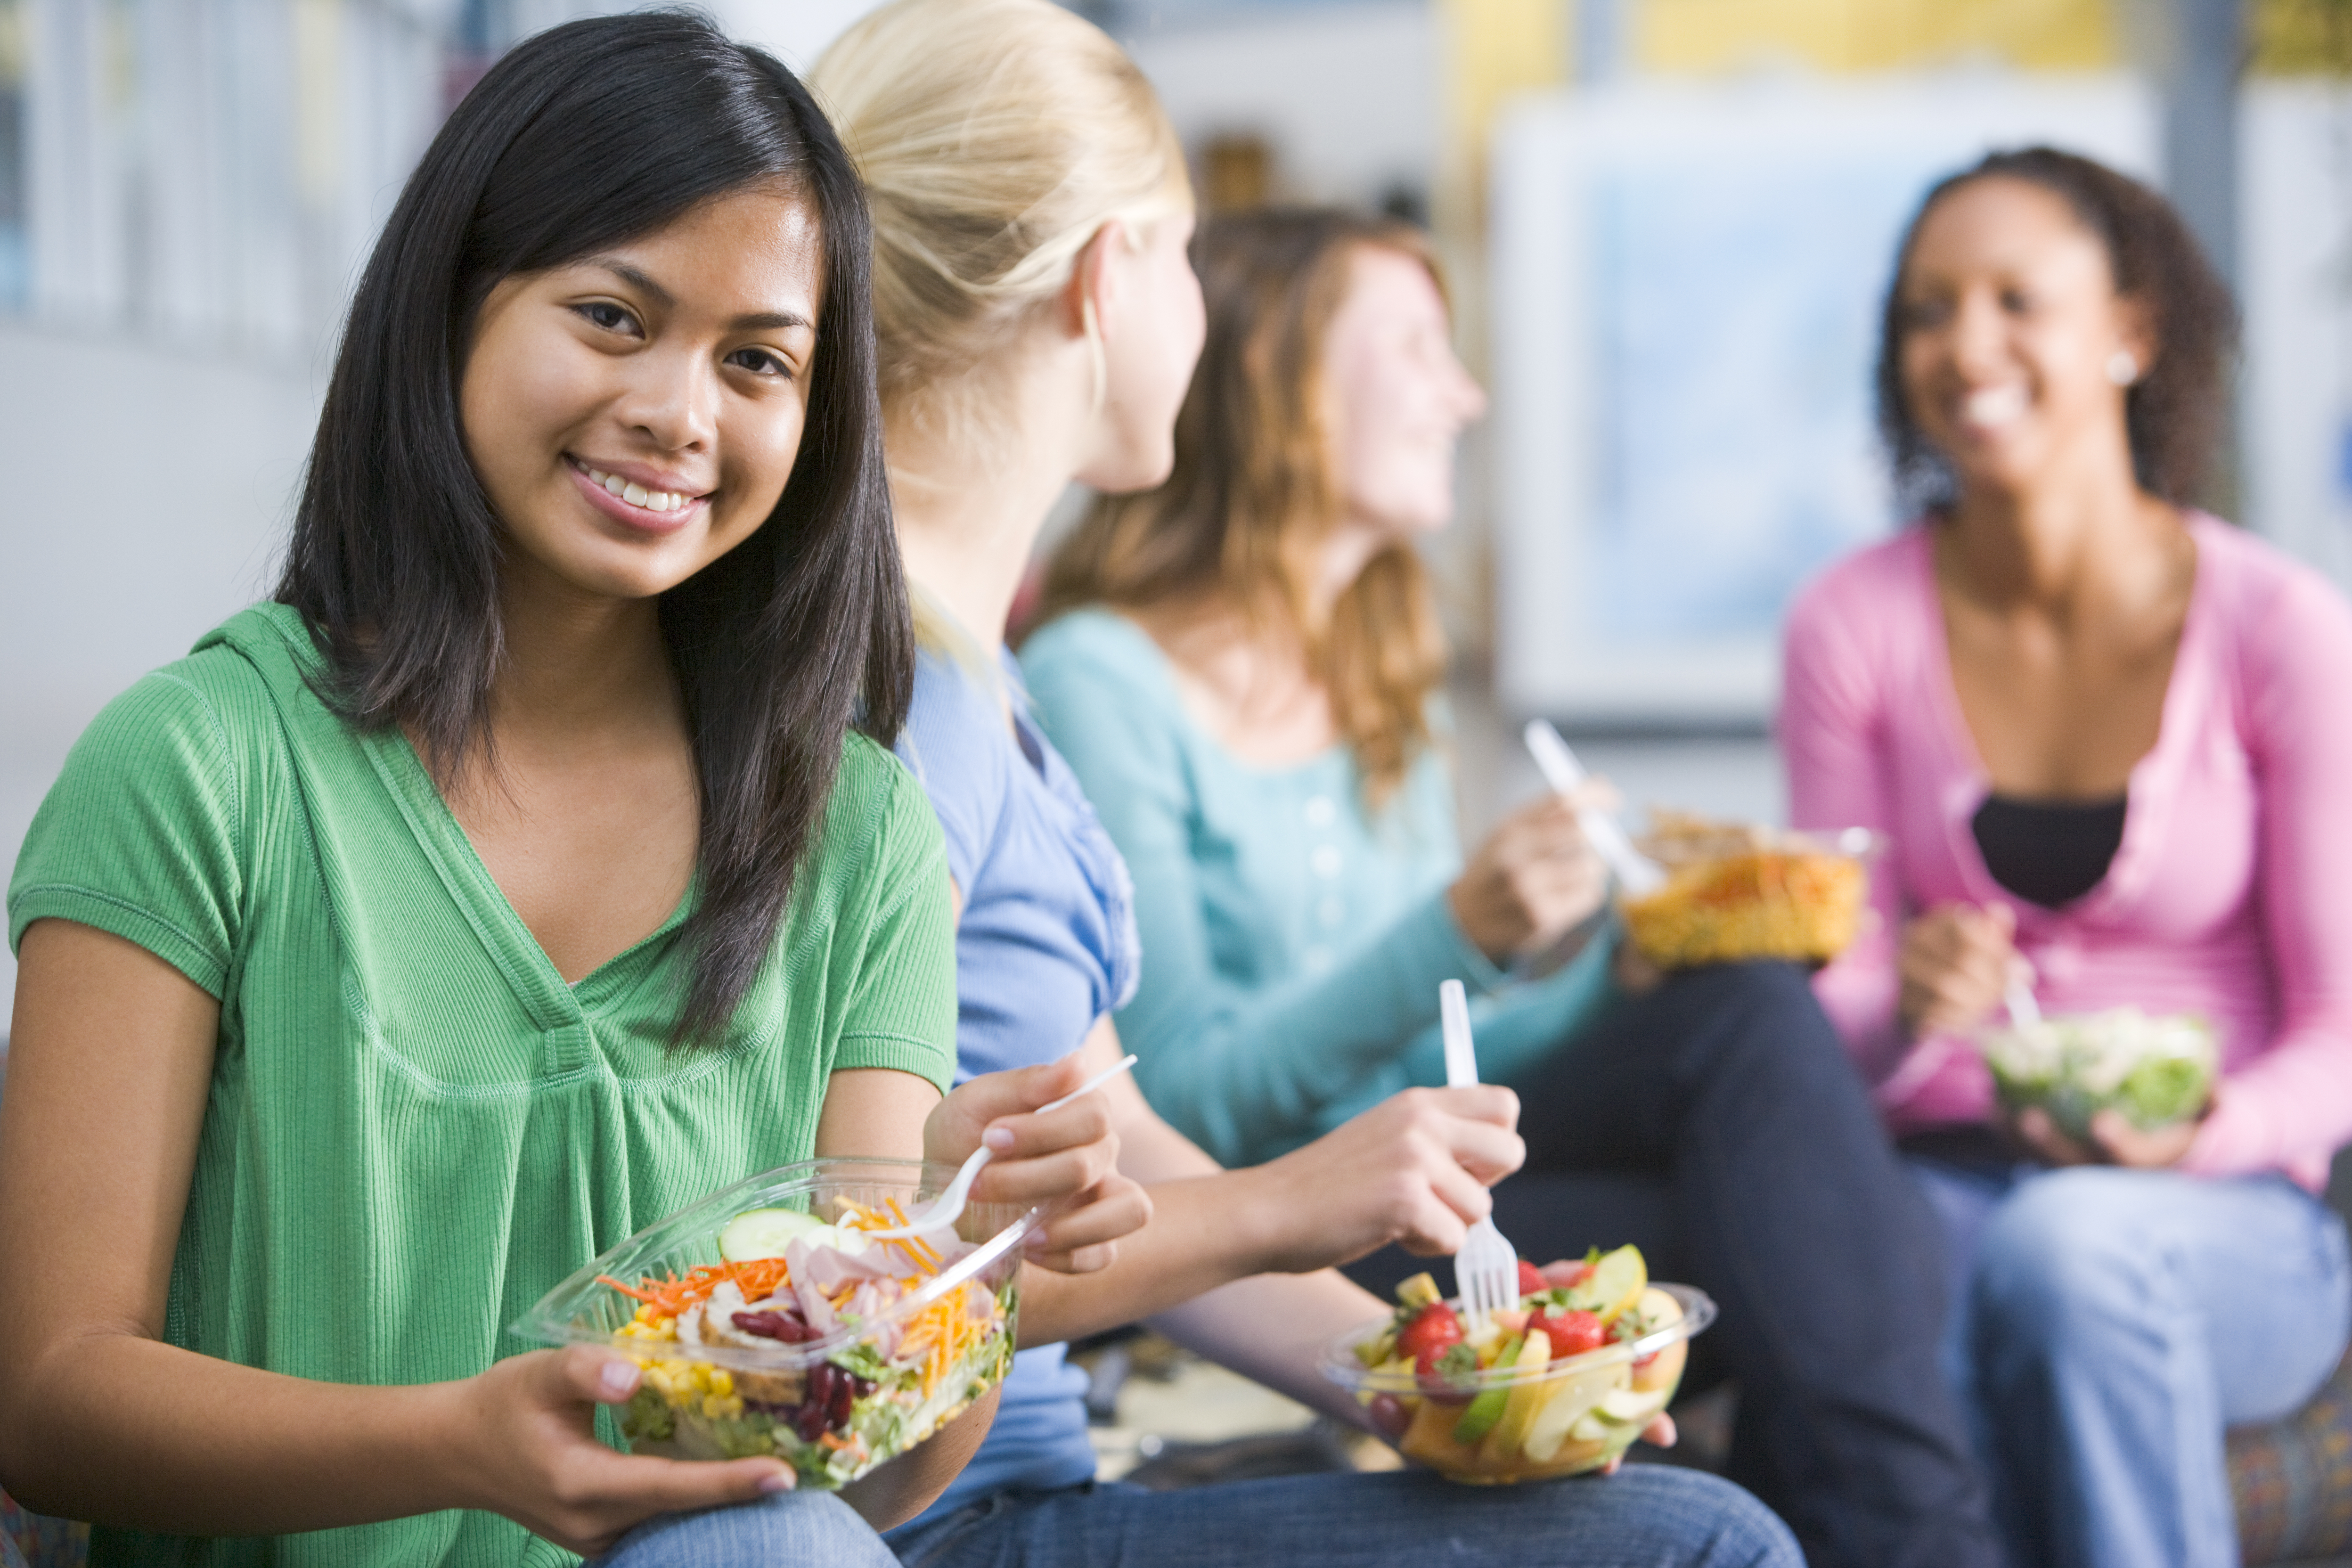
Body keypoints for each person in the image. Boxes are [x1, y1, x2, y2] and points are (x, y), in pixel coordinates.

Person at [0, 17, 1143, 1565]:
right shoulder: (203, 766)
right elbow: (49, 1400)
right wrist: (458, 1444)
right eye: (614, 317)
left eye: (759, 361)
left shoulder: (860, 836)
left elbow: (868, 1475)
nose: (683, 412)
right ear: (450, 310)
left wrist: (957, 1254)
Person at [809, 4, 1801, 1565]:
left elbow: (1133, 1156)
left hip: (1038, 1485)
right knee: (1710, 1545)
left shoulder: (972, 690)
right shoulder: (917, 707)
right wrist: (1301, 1198)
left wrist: (1429, 1387)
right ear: (1105, 279)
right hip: (960, 1518)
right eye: (1187, 258)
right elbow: (849, 1292)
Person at [1017, 205, 2006, 1568]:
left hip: (1426, 1190)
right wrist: (1462, 928)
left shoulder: (1372, 672)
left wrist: (1621, 954)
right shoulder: (1098, 678)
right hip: (1273, 1234)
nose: (1464, 394)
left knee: (1750, 1032)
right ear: (1285, 388)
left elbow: (1443, 1047)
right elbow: (1184, 1110)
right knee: (1820, 1240)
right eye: (1418, 348)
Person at [1781, 146, 2352, 1568]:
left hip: (2232, 1222)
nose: (1965, 346)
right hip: (1948, 1176)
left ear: (2129, 332)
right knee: (1882, 1269)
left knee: (2070, 1251)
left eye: (2014, 299)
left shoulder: (2279, 628)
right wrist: (1905, 1006)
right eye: (1926, 311)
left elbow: (2341, 1037)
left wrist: (2196, 1138)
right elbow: (1823, 1028)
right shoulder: (1850, 629)